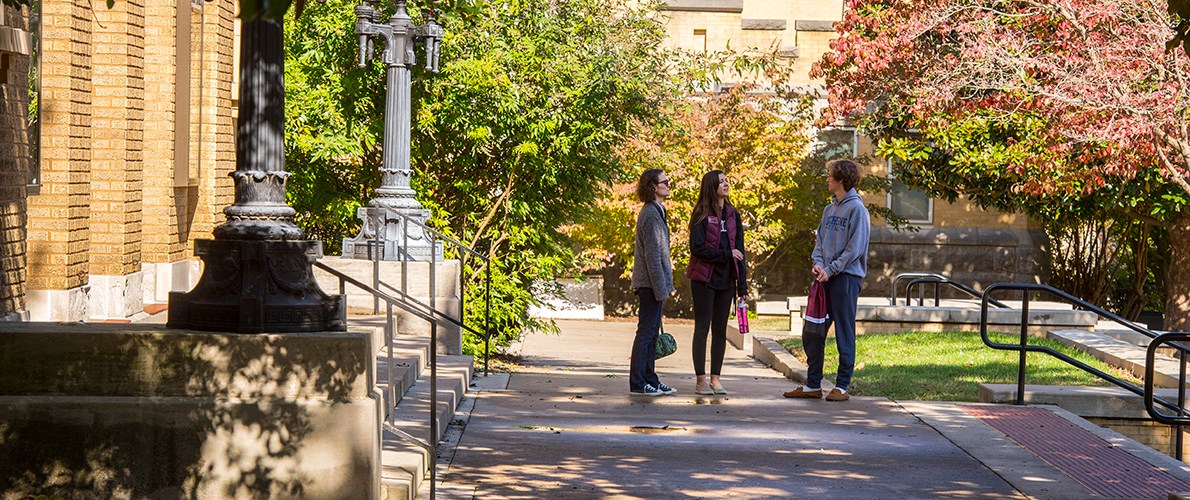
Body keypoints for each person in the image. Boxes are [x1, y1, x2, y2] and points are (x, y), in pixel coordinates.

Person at [784, 159, 870, 402]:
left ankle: (842, 386)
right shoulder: (829, 210)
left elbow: (855, 249)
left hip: (846, 279)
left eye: (830, 175)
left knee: (844, 330)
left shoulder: (857, 210)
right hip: (824, 277)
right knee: (812, 331)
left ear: (842, 179)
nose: (827, 179)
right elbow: (819, 241)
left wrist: (831, 269)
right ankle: (813, 384)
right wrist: (818, 264)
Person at [686, 170, 747, 396]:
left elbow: (740, 252)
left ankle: (715, 380)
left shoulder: (733, 214)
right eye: (721, 181)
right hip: (704, 278)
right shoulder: (701, 213)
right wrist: (725, 254)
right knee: (702, 328)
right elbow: (697, 248)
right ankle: (700, 380)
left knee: (720, 330)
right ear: (711, 186)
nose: (726, 184)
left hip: (726, 280)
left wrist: (742, 285)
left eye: (727, 180)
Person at [629, 168, 677, 397]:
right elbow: (651, 256)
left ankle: (651, 379)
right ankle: (638, 383)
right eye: (665, 181)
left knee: (650, 334)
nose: (669, 185)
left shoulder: (657, 211)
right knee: (646, 334)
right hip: (649, 285)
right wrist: (660, 289)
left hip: (654, 285)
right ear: (653, 186)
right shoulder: (649, 214)